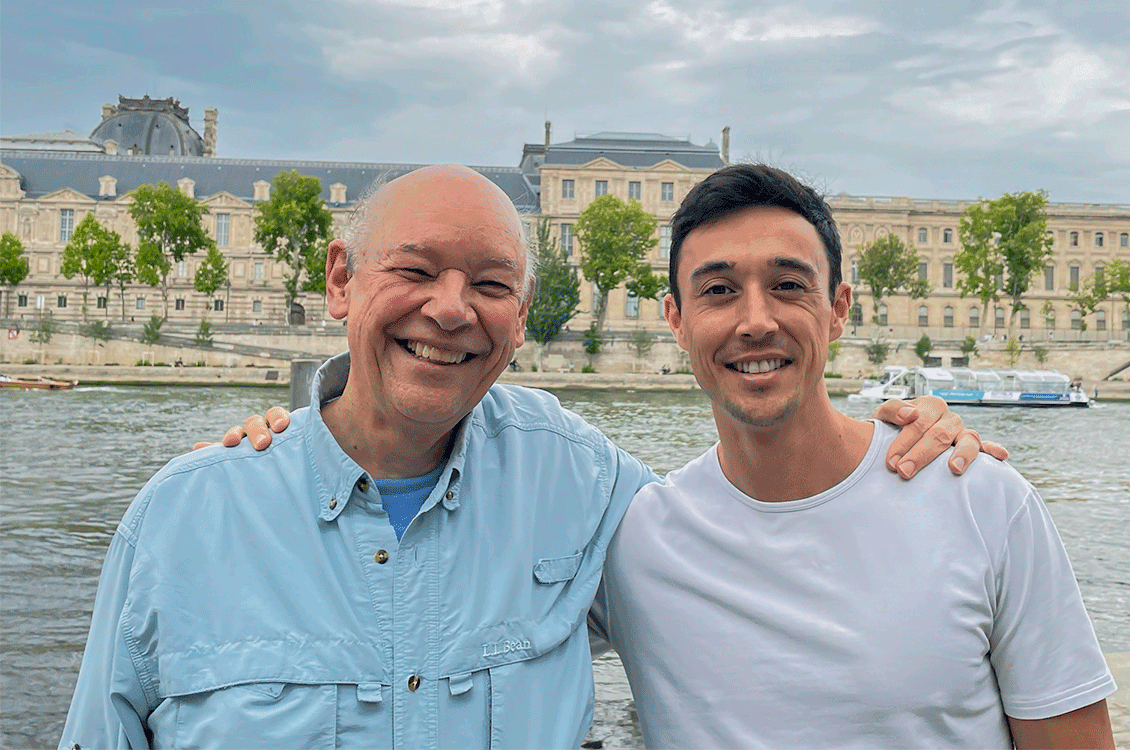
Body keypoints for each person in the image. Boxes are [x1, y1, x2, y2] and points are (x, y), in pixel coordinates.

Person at [62, 165, 996, 749]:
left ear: (518, 325)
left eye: (492, 284)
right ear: (341, 283)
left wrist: (897, 452)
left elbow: (763, 526)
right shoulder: (187, 518)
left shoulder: (582, 484)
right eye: (416, 271)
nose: (452, 308)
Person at [592, 164, 1115, 748]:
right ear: (677, 321)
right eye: (718, 291)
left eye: (789, 286)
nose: (756, 321)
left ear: (839, 309)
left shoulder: (984, 500)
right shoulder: (632, 540)